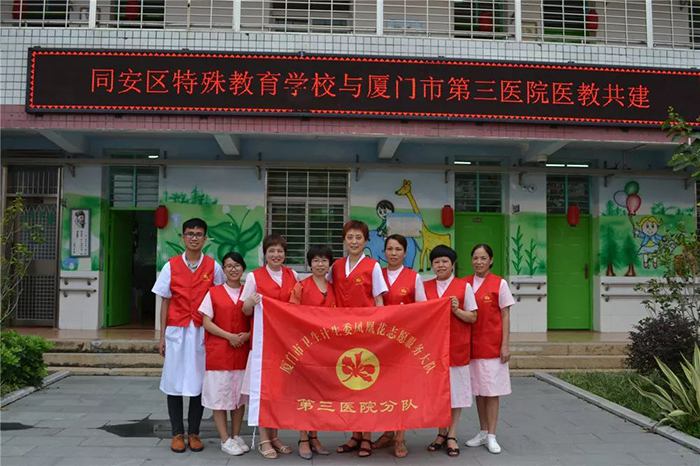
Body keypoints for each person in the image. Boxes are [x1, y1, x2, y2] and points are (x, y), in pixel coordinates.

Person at [152, 218, 225, 453]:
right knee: (173, 383)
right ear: (183, 237)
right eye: (190, 234)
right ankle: (177, 434)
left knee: (198, 382)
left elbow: (220, 300)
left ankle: (194, 433)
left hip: (202, 331)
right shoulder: (170, 266)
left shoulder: (213, 267)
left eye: (199, 234)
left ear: (205, 239)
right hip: (176, 330)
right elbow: (165, 301)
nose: (194, 238)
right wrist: (162, 337)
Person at [331, 220, 388, 458]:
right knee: (348, 386)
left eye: (358, 238)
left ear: (366, 241)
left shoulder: (373, 266)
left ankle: (366, 436)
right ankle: (354, 435)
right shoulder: (336, 266)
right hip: (342, 333)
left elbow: (379, 301)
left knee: (367, 386)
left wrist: (379, 334)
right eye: (350, 237)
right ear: (344, 240)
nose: (354, 242)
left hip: (366, 333)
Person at [241, 234, 299, 459]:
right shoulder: (254, 277)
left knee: (279, 392)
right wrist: (249, 303)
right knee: (264, 391)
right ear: (264, 254)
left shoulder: (292, 275)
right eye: (271, 251)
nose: (276, 255)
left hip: (285, 344)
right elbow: (245, 309)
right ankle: (264, 439)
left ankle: (275, 436)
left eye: (280, 251)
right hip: (263, 343)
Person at [370, 234, 427, 458]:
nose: (393, 253)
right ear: (384, 252)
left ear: (405, 253)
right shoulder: (377, 274)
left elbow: (423, 311)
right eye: (390, 249)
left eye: (398, 249)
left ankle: (400, 437)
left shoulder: (414, 278)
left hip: (403, 344)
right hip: (379, 344)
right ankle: (387, 433)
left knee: (401, 390)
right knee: (382, 390)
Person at [423, 245, 477, 458]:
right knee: (438, 393)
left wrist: (456, 310)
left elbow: (472, 317)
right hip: (433, 350)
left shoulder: (464, 287)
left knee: (456, 393)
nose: (440, 265)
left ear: (452, 264)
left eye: (445, 261)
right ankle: (441, 433)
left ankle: (452, 434)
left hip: (456, 347)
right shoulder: (425, 287)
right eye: (436, 262)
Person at [464, 244, 515, 455]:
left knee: (492, 392)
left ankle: (492, 435)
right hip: (471, 346)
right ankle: (483, 431)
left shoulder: (499, 283)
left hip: (492, 346)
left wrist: (505, 345)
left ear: (491, 260)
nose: (479, 262)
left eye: (483, 258)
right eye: (475, 258)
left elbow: (505, 315)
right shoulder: (465, 283)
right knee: (479, 391)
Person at [199, 252, 251, 457]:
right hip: (220, 353)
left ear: (243, 268)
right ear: (223, 269)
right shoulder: (213, 293)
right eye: (229, 266)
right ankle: (224, 439)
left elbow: (258, 320)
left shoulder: (249, 293)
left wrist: (247, 335)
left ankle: (236, 435)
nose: (233, 269)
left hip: (242, 352)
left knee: (239, 397)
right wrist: (229, 336)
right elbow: (206, 322)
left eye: (237, 265)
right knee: (219, 397)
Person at [288, 244, 336, 460]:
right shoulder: (301, 287)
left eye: (324, 260)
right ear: (309, 264)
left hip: (327, 350)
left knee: (319, 395)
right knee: (304, 395)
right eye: (315, 260)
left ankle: (315, 436)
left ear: (329, 264)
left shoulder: (333, 288)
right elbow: (290, 314)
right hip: (305, 348)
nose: (320, 264)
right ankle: (303, 438)